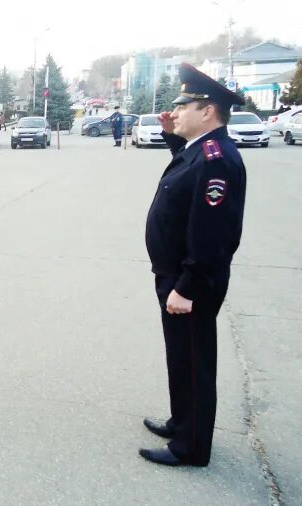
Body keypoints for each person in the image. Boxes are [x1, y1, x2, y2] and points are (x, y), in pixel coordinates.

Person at [140, 63, 247, 468]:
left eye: (184, 106)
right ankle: (182, 422)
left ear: (208, 111)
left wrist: (186, 286)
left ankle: (191, 447)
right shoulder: (201, 151)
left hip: (191, 282)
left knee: (194, 360)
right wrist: (172, 137)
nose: (176, 112)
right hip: (177, 276)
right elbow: (186, 179)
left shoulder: (216, 159)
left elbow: (213, 235)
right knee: (181, 355)